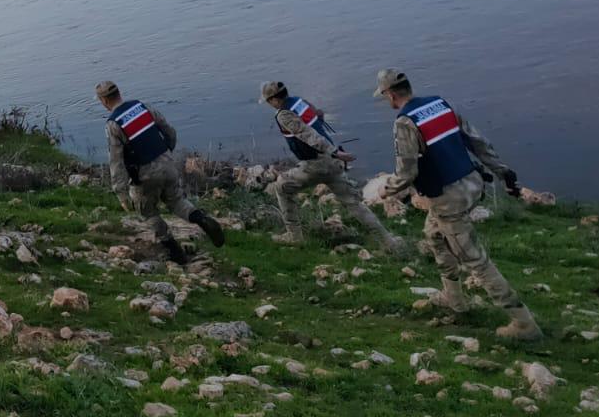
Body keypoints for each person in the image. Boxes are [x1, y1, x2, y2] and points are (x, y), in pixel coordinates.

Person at [373, 68, 541, 341]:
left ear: (390, 95)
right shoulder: (439, 104)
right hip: (472, 184)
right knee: (433, 235)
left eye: (385, 97)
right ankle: (454, 298)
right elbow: (478, 142)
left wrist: (385, 190)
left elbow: (407, 172)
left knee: (476, 261)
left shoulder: (404, 123)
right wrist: (502, 172)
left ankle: (524, 324)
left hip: (448, 199)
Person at [260, 81, 404, 252]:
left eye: (269, 101)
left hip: (315, 164)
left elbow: (307, 134)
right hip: (332, 163)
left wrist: (334, 151)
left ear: (274, 100)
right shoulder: (300, 101)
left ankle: (294, 236)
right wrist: (333, 151)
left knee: (282, 187)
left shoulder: (283, 115)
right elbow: (318, 114)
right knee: (354, 204)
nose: (270, 105)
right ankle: (388, 242)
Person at [97, 80, 225, 265]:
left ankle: (173, 250)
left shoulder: (113, 124)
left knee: (148, 212)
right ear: (119, 93)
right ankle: (202, 218)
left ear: (104, 101)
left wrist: (121, 192)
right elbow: (169, 130)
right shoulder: (142, 107)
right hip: (166, 162)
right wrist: (168, 151)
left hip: (144, 173)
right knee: (177, 201)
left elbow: (116, 161)